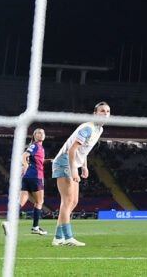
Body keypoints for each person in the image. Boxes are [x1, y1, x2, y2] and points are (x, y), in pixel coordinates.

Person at [51, 101, 110, 246]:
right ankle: (68, 237)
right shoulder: (88, 128)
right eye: (102, 111)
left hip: (74, 163)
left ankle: (58, 238)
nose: (105, 114)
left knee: (74, 202)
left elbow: (83, 150)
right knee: (67, 201)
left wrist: (84, 166)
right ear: (95, 113)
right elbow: (72, 150)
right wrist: (73, 170)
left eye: (108, 111)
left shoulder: (99, 130)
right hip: (64, 161)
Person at [2, 128, 48, 237]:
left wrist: (50, 161)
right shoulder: (35, 146)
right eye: (38, 133)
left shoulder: (39, 148)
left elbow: (39, 161)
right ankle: (35, 227)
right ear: (34, 136)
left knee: (21, 201)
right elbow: (24, 156)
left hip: (27, 177)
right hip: (35, 177)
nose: (41, 134)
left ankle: (9, 222)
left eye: (42, 133)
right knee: (39, 202)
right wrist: (25, 164)